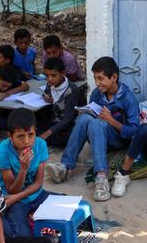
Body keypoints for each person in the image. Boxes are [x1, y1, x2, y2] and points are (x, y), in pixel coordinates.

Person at [46, 57, 139, 202]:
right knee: (83, 119)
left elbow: (134, 132)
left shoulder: (128, 98)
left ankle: (101, 178)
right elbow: (91, 113)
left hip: (118, 139)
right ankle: (64, 167)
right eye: (95, 78)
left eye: (101, 78)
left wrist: (111, 121)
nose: (97, 83)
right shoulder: (97, 93)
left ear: (114, 77)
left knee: (96, 124)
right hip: (98, 135)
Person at [0, 108, 59, 237]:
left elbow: (38, 183)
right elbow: (12, 191)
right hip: (10, 199)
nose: (27, 141)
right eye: (20, 136)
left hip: (27, 196)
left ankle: (31, 216)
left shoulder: (40, 145)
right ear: (10, 136)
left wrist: (15, 198)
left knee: (69, 208)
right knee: (24, 235)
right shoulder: (2, 152)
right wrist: (23, 169)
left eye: (31, 134)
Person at [37, 57, 79, 147]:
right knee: (33, 120)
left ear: (63, 73)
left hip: (66, 125)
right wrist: (45, 96)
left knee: (68, 136)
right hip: (53, 120)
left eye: (53, 75)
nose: (49, 79)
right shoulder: (50, 83)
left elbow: (68, 119)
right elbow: (46, 93)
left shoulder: (71, 90)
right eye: (47, 75)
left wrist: (48, 133)